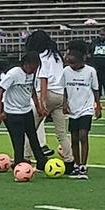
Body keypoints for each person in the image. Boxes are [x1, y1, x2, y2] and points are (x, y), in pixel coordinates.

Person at [0, 51, 50, 169]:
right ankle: (18, 162)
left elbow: (32, 90)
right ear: (26, 64)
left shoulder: (31, 74)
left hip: (26, 110)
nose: (34, 71)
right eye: (33, 67)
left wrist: (38, 107)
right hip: (13, 112)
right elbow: (0, 91)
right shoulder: (13, 74)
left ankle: (41, 161)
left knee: (33, 137)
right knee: (19, 139)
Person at [60, 41, 103, 179]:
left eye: (74, 63)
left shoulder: (90, 71)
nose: (71, 66)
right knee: (74, 138)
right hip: (73, 108)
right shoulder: (66, 72)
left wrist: (98, 105)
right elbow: (64, 89)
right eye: (69, 63)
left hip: (86, 107)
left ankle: (84, 164)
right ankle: (76, 164)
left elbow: (95, 89)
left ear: (81, 61)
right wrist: (64, 103)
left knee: (83, 135)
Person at [30, 30, 71, 164]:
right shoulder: (57, 56)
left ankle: (24, 158)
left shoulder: (41, 57)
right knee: (61, 133)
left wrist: (42, 102)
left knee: (30, 129)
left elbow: (43, 79)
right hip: (60, 94)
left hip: (48, 93)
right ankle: (69, 159)